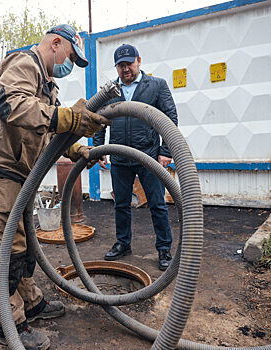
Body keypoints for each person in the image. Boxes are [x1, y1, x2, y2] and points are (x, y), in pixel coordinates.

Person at [0, 24, 111, 350]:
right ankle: (7, 323)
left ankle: (29, 301)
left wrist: (74, 148)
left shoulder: (48, 87)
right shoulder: (24, 64)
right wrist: (68, 119)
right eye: (71, 57)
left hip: (17, 172)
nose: (69, 65)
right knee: (3, 250)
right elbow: (13, 108)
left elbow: (43, 131)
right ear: (56, 43)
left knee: (25, 243)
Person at [93, 44, 178, 271]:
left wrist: (166, 151)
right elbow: (99, 119)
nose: (125, 69)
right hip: (120, 157)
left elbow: (170, 119)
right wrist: (97, 147)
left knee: (158, 205)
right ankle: (123, 243)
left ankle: (163, 249)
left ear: (139, 61)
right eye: (121, 66)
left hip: (149, 156)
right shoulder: (110, 91)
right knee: (121, 204)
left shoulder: (157, 85)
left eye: (129, 64)